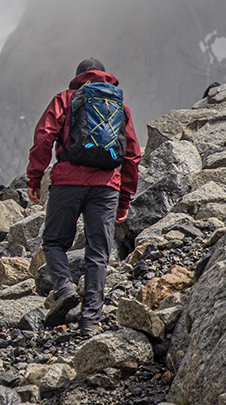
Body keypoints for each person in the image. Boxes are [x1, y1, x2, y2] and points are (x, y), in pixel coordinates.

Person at [27, 58, 141, 335]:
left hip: (68, 182)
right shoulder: (118, 105)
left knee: (54, 241)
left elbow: (44, 136)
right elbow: (132, 154)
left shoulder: (65, 98)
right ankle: (89, 322)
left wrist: (34, 178)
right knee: (98, 252)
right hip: (106, 186)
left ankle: (64, 287)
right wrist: (124, 198)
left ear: (78, 77)